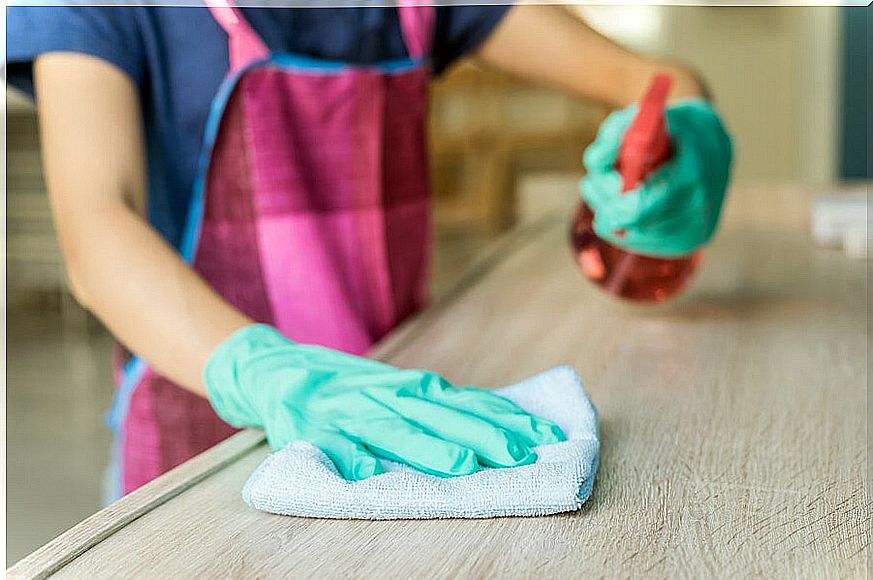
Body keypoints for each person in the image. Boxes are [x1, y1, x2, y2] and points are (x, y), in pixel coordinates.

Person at [7, 3, 732, 498]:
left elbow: (650, 82)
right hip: (203, 445)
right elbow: (98, 230)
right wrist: (263, 372)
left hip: (402, 429)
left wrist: (683, 132)